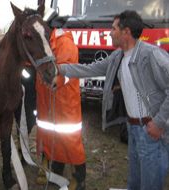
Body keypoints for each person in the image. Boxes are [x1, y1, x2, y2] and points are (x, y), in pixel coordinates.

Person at [56, 10, 169, 190]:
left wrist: (159, 123)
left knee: (150, 185)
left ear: (126, 32)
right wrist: (58, 69)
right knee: (134, 183)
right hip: (133, 129)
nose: (109, 32)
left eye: (114, 28)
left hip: (151, 132)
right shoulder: (118, 56)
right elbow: (90, 69)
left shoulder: (152, 55)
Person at [36, 9, 86, 190]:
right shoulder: (46, 42)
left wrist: (56, 80)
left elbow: (67, 69)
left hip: (64, 103)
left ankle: (79, 178)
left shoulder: (65, 43)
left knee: (70, 141)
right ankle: (56, 172)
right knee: (51, 138)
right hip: (47, 102)